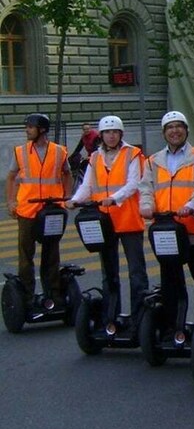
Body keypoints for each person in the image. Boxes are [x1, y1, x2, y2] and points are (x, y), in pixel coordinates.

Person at [69, 115, 149, 333]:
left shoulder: (133, 154)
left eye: (115, 132)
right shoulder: (95, 157)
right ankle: (110, 316)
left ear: (120, 134)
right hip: (103, 220)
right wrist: (75, 200)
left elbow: (134, 183)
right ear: (101, 135)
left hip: (128, 219)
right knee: (109, 271)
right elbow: (88, 185)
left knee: (136, 271)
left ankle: (139, 318)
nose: (111, 135)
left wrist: (115, 197)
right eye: (107, 132)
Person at [138, 111, 194, 326]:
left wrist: (192, 205)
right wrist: (146, 206)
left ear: (186, 130)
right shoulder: (153, 161)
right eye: (170, 128)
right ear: (164, 133)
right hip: (165, 229)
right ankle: (173, 326)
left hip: (193, 229)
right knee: (171, 280)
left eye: (179, 126)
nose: (175, 131)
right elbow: (146, 187)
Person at [5, 113, 72, 307]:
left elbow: (67, 174)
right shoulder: (21, 151)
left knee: (51, 254)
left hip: (51, 210)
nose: (27, 130)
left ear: (41, 129)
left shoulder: (59, 151)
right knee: (26, 254)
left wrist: (67, 196)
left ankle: (54, 294)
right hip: (27, 209)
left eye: (30, 127)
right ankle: (26, 297)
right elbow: (11, 177)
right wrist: (10, 202)